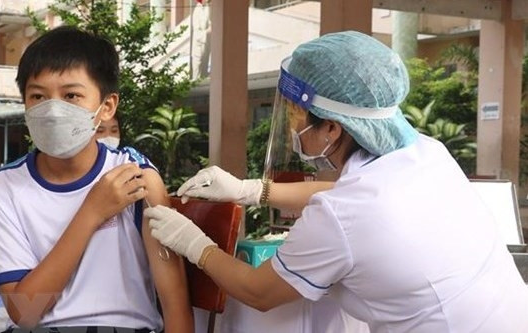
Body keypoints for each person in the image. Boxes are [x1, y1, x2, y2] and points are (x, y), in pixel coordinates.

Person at [145, 31, 528, 332]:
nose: (292, 126)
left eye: (297, 115)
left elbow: (257, 291)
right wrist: (251, 190)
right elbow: (345, 196)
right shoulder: (426, 153)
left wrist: (195, 244)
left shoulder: (344, 218)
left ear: (331, 126)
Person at [0, 26, 193, 332]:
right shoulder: (4, 187)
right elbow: (24, 314)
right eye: (37, 95)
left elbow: (175, 305)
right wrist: (92, 212)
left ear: (107, 107)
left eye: (71, 95)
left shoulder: (137, 178)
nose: (52, 111)